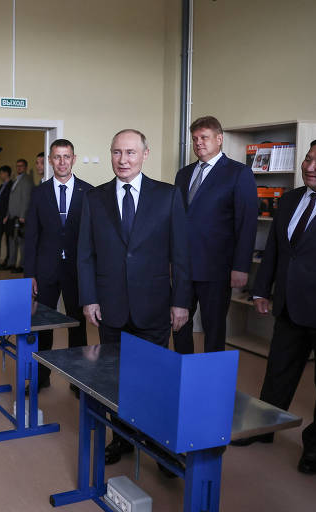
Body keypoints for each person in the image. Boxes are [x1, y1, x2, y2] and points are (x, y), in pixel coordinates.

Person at [232, 136, 316, 476]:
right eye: (307, 160)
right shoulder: (290, 199)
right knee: (277, 375)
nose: (309, 167)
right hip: (289, 308)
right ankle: (264, 429)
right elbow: (274, 250)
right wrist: (261, 290)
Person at [78, 128, 191, 465]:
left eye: (130, 152)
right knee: (117, 378)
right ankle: (122, 438)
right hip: (110, 307)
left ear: (145, 154)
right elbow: (86, 255)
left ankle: (159, 444)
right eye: (116, 152)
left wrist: (181, 301)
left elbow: (181, 255)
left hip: (154, 306)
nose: (122, 159)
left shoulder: (168, 195)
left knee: (155, 378)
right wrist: (89, 298)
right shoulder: (94, 198)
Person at [173, 116, 258, 354]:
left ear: (219, 139)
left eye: (204, 137)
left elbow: (247, 223)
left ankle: (211, 383)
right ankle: (183, 374)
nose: (199, 143)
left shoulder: (238, 173)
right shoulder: (183, 174)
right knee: (179, 324)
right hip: (183, 267)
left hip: (216, 268)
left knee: (214, 329)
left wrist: (241, 267)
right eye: (195, 139)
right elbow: (176, 220)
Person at [24, 140, 92, 396]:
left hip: (77, 272)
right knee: (43, 325)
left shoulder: (89, 192)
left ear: (74, 159)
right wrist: (29, 274)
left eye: (66, 157)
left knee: (77, 326)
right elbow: (30, 237)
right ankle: (41, 376)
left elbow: (93, 239)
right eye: (57, 157)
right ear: (50, 160)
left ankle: (78, 380)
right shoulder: (39, 193)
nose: (62, 162)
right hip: (46, 271)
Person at [2, 158, 33, 272]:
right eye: (17, 166)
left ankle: (22, 265)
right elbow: (12, 199)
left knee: (21, 242)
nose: (19, 168)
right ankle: (11, 263)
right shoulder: (16, 179)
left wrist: (23, 215)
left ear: (25, 167)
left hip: (20, 217)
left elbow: (26, 199)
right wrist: (7, 215)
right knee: (11, 241)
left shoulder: (27, 180)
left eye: (21, 166)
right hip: (11, 216)